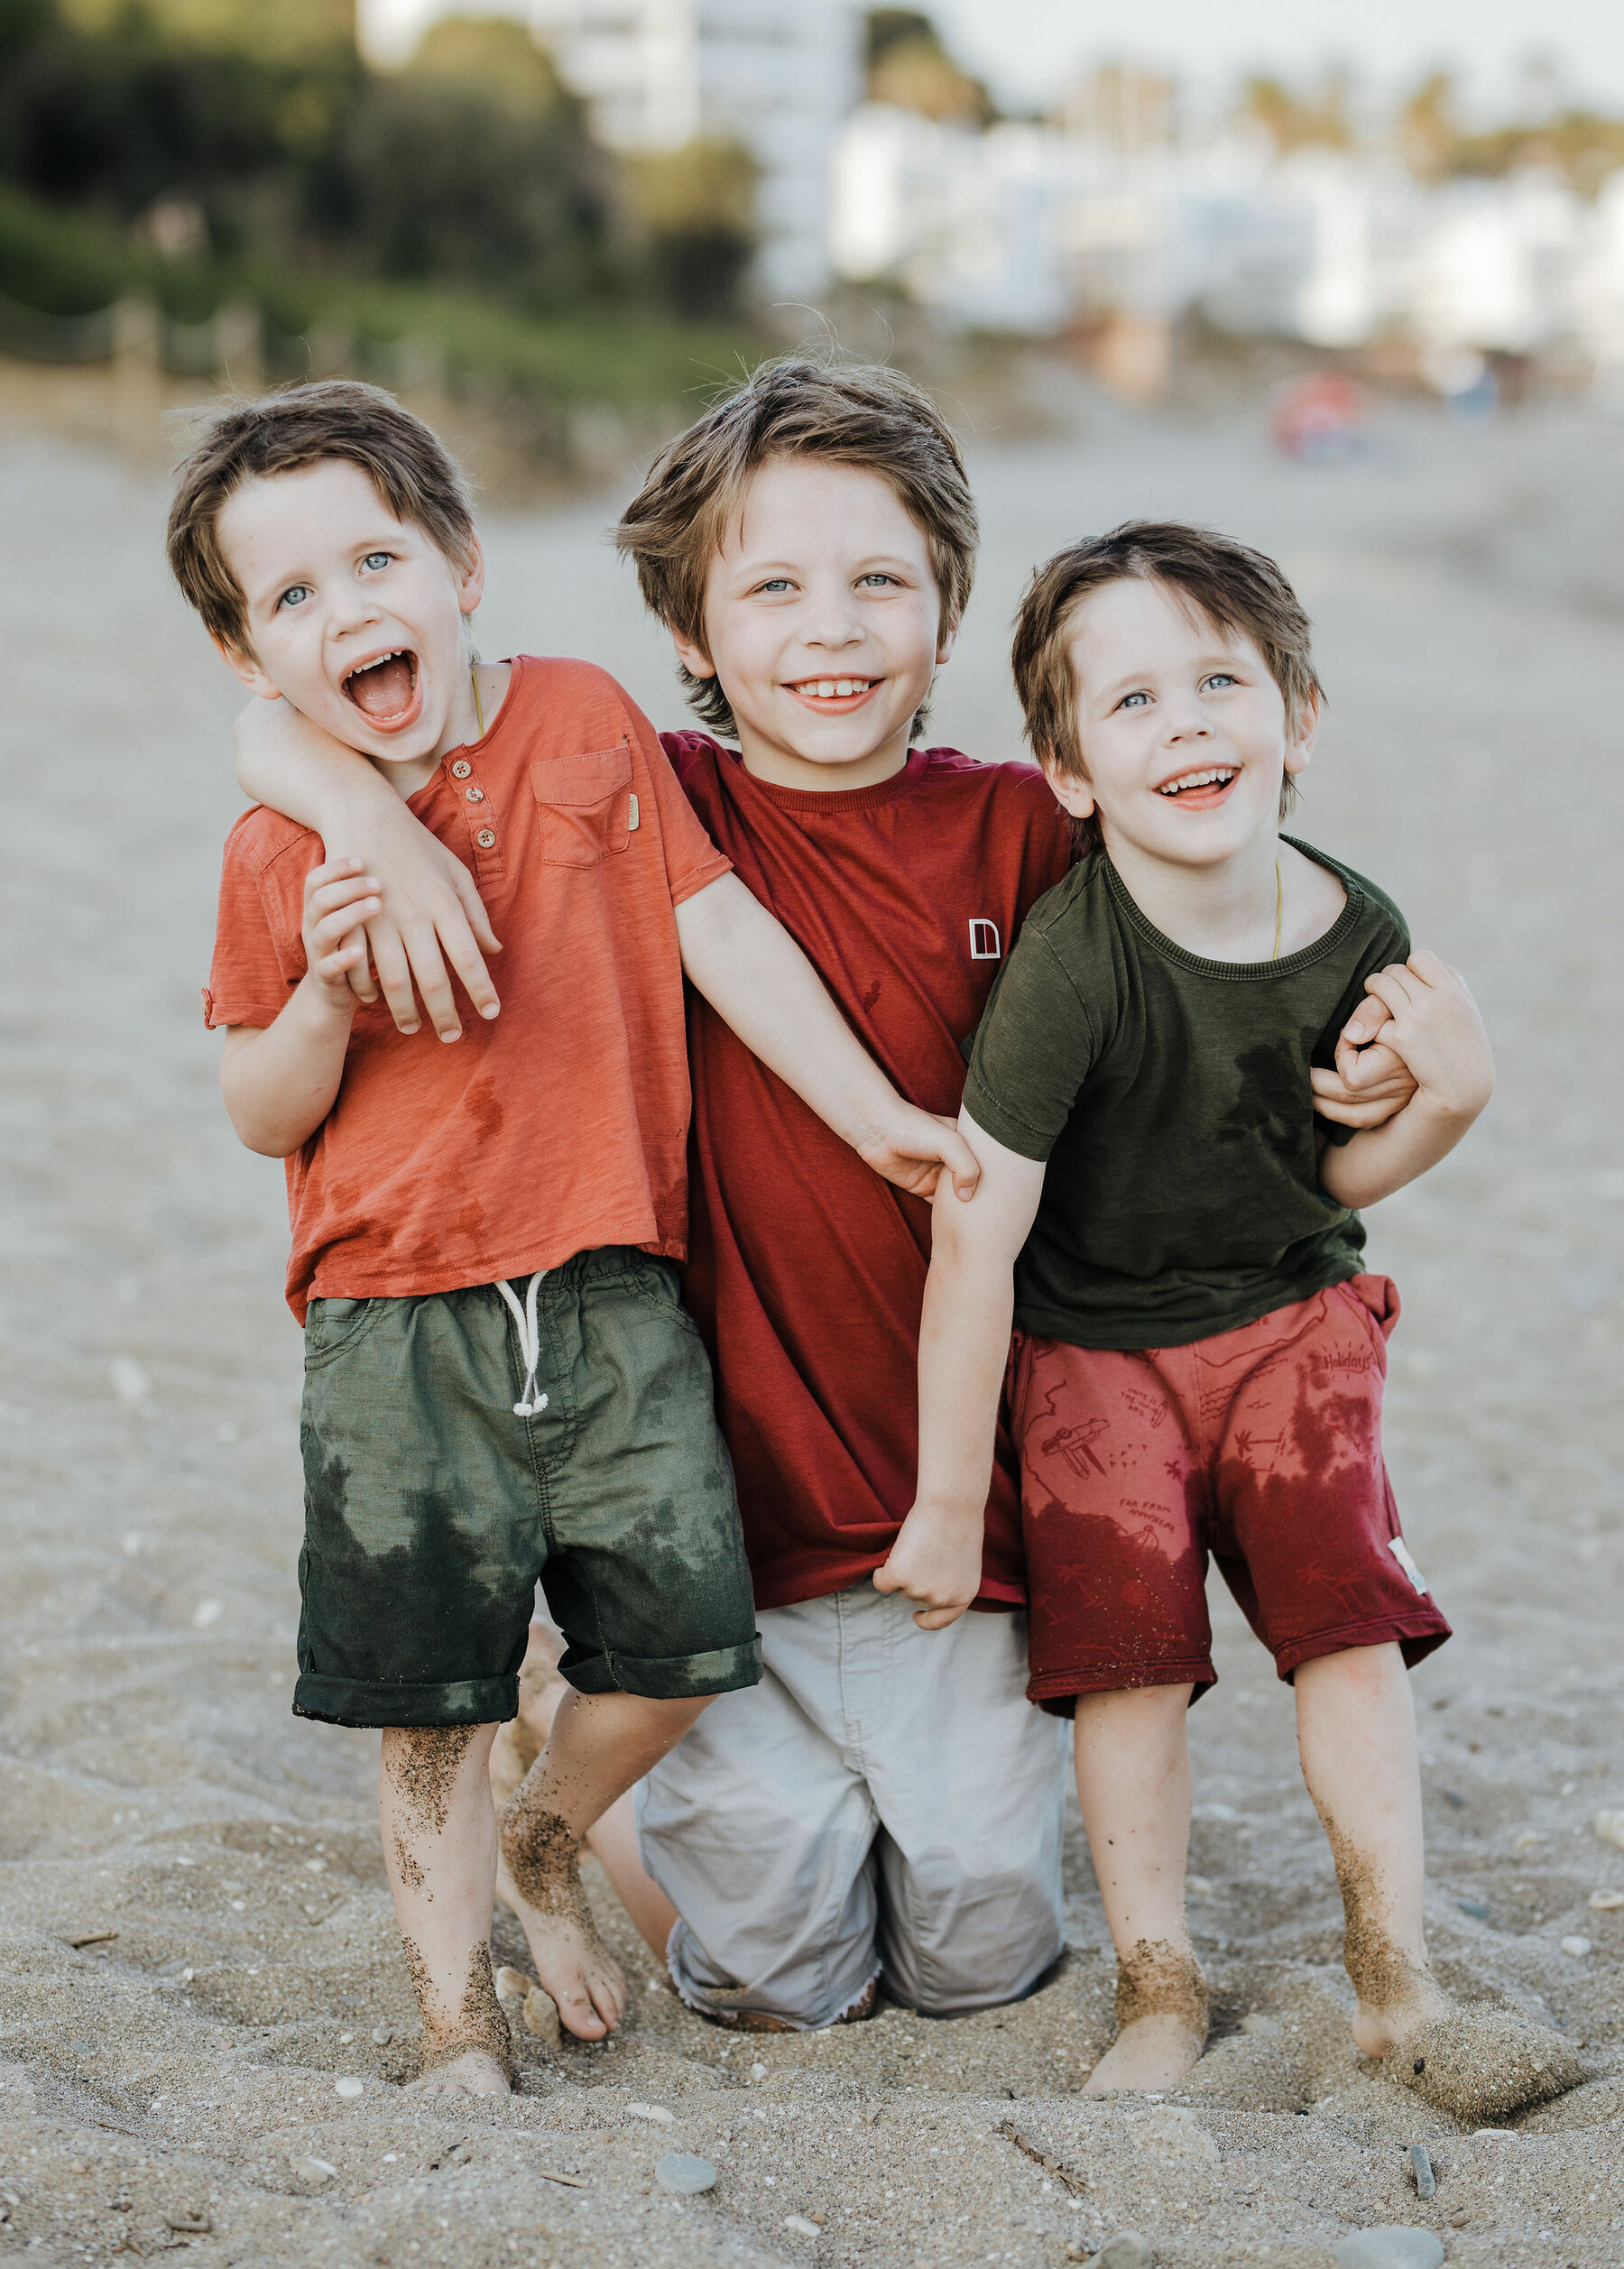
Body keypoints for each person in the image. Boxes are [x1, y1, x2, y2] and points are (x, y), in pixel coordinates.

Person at [232, 364, 1414, 2040]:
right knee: (777, 1989)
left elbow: (1230, 908)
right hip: (742, 1524)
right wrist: (357, 803)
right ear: (695, 632)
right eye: (771, 587)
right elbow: (282, 708)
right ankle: (587, 1792)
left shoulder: (1030, 827)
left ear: (947, 612)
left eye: (880, 581)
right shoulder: (648, 792)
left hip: (973, 1526)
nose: (831, 628)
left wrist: (1395, 1070)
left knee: (980, 1962)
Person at [174, 379, 977, 2091]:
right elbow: (261, 1107)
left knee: (685, 1647)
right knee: (425, 1710)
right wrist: (326, 975)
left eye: (376, 560)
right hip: (394, 1322)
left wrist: (874, 1116)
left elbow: (720, 931)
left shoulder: (590, 723)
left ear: (462, 563)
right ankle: (459, 2021)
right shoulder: (277, 842)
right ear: (251, 661)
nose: (348, 613)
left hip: (615, 1284)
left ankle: (556, 1827)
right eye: (291, 601)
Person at [883, 518, 1502, 2098]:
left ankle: (1394, 1972)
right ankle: (1159, 1982)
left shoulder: (1359, 927)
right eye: (1136, 703)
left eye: (1221, 682)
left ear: (1298, 716)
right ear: (1072, 771)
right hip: (1097, 1355)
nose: (1189, 726)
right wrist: (953, 1498)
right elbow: (978, 1232)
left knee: (1349, 1636)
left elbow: (1339, 1169)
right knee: (1132, 1665)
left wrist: (1453, 1101)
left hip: (1293, 1323)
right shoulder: (1077, 965)